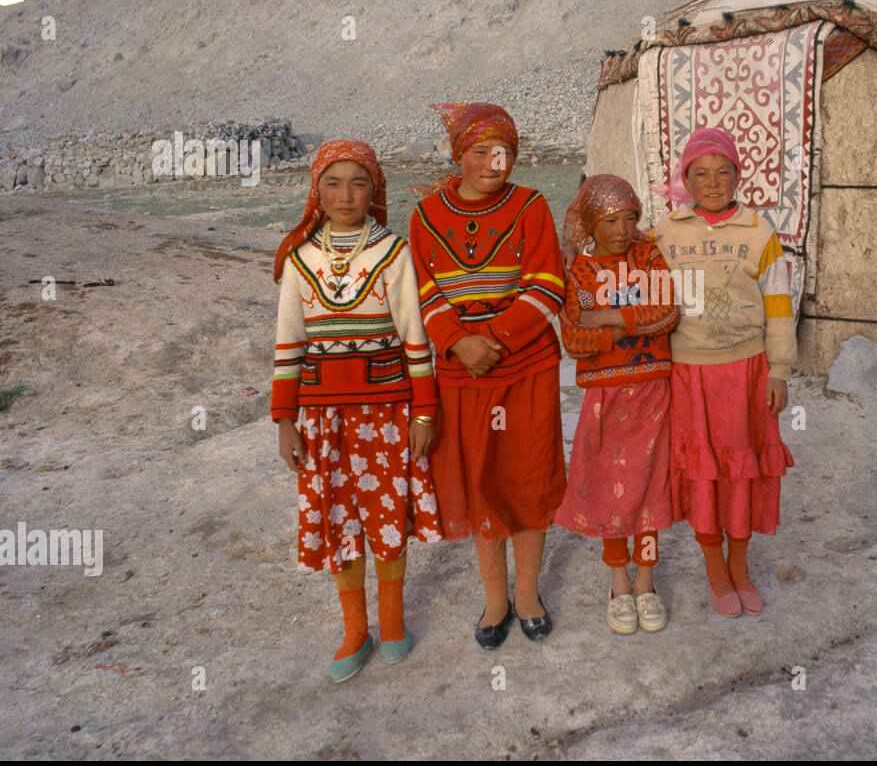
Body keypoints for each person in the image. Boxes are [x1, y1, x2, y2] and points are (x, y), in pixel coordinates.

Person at [272, 139, 441, 682]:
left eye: (359, 182)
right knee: (339, 518)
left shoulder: (394, 252)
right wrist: (284, 422)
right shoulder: (300, 260)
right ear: (315, 191)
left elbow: (415, 337)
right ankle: (354, 629)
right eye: (333, 183)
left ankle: (392, 623)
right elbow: (288, 344)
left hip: (387, 409)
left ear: (376, 189)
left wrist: (423, 413)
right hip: (323, 419)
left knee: (387, 514)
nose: (345, 195)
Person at [409, 103, 567, 648]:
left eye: (505, 151)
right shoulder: (426, 215)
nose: (494, 162)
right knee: (480, 484)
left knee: (526, 477)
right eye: (481, 151)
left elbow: (548, 284)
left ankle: (527, 591)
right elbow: (424, 289)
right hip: (461, 375)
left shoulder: (531, 206)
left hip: (526, 368)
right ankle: (494, 595)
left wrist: (491, 340)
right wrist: (456, 340)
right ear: (459, 155)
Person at [651, 127, 796, 617]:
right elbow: (624, 278)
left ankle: (740, 566)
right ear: (685, 179)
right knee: (702, 474)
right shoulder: (664, 233)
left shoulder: (759, 232)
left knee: (741, 472)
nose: (712, 182)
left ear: (739, 175)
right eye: (700, 173)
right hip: (688, 373)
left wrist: (779, 369)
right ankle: (714, 568)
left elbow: (779, 307)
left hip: (746, 371)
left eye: (722, 172)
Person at [555, 175, 679, 635]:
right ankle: (619, 583)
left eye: (630, 218)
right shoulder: (581, 271)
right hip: (605, 398)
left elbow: (666, 313)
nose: (624, 229)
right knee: (611, 491)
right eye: (611, 220)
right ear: (591, 223)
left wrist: (606, 319)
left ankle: (647, 583)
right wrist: (634, 320)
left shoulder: (647, 255)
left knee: (649, 493)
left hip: (652, 393)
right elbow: (573, 338)